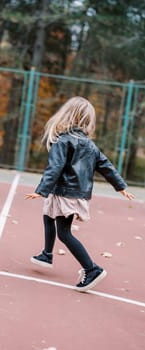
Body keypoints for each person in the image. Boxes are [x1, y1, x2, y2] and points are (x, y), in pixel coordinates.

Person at [25, 96, 134, 293]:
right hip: (74, 193)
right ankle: (46, 254)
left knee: (64, 233)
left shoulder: (62, 141)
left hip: (65, 192)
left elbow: (54, 168)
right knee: (48, 215)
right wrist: (120, 186)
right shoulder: (90, 145)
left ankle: (91, 269)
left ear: (66, 115)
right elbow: (106, 166)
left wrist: (40, 190)